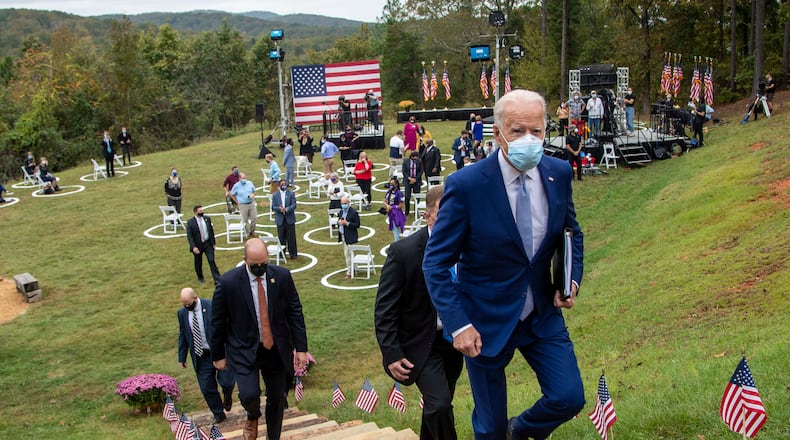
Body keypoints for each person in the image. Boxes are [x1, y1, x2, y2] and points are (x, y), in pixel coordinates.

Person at [423, 89, 585, 440]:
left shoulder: (558, 173)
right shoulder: (467, 185)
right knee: (490, 427)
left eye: (537, 131)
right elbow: (435, 263)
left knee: (569, 397)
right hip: (483, 322)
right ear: (497, 134)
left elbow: (572, 232)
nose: (529, 139)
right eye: (517, 131)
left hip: (541, 314)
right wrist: (459, 324)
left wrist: (571, 281)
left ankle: (520, 431)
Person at [375, 184, 464, 440]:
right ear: (427, 215)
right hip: (420, 343)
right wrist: (391, 353)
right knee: (440, 404)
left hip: (455, 341)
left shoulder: (466, 246)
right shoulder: (403, 253)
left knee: (440, 404)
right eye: (443, 212)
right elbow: (385, 309)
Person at [210, 238, 308, 440]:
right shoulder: (228, 283)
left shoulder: (281, 276)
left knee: (277, 397)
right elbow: (217, 322)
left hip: (275, 349)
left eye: (264, 264)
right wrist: (218, 355)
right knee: (249, 395)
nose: (260, 269)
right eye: (255, 266)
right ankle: (253, 415)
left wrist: (301, 348)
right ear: (244, 259)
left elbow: (295, 312)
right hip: (244, 349)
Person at [177, 288, 236, 424]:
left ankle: (227, 396)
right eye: (184, 304)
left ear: (195, 297)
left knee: (227, 381)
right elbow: (183, 335)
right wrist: (182, 357)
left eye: (188, 303)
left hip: (219, 352)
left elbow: (226, 326)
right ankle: (218, 413)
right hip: (201, 355)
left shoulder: (211, 306)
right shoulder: (182, 313)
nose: (187, 307)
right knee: (206, 387)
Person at [186, 205, 222, 284]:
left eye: (202, 211)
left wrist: (213, 243)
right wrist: (193, 247)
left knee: (211, 260)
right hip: (197, 245)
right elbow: (190, 236)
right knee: (198, 262)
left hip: (207, 243)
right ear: (195, 213)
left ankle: (217, 278)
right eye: (200, 211)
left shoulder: (207, 219)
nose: (202, 212)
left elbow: (211, 231)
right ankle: (200, 277)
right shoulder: (190, 222)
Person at [272, 178, 298, 259]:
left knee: (291, 237)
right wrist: (280, 209)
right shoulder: (275, 195)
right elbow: (273, 206)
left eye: (285, 184)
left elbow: (294, 205)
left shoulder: (291, 194)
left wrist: (286, 209)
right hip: (280, 219)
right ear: (279, 186)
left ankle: (293, 254)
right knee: (281, 237)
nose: (284, 186)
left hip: (289, 218)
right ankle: (281, 254)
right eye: (282, 184)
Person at [337, 195, 360, 279]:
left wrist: (347, 223)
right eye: (342, 203)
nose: (343, 205)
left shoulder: (353, 212)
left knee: (348, 254)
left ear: (349, 203)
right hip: (343, 235)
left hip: (350, 236)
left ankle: (349, 272)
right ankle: (354, 268)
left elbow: (357, 224)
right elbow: (339, 219)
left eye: (345, 203)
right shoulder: (341, 211)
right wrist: (339, 222)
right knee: (348, 254)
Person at [230, 173, 258, 238]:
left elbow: (254, 191)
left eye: (245, 178)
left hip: (251, 203)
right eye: (243, 178)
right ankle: (247, 233)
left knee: (254, 218)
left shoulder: (250, 183)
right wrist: (237, 202)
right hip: (243, 205)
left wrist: (252, 195)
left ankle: (252, 231)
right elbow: (231, 194)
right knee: (245, 220)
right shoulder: (236, 186)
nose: (244, 179)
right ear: (239, 179)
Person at [384, 177, 406, 242]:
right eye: (390, 183)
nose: (391, 185)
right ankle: (397, 242)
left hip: (396, 214)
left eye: (392, 184)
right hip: (390, 213)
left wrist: (392, 207)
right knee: (394, 229)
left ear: (396, 184)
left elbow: (401, 205)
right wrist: (387, 206)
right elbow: (384, 201)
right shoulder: (389, 192)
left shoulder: (399, 193)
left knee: (396, 229)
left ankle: (397, 243)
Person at [402, 150, 423, 217]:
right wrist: (409, 178)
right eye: (415, 157)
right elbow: (404, 171)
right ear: (412, 156)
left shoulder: (419, 162)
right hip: (408, 181)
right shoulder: (406, 161)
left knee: (417, 196)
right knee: (407, 196)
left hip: (416, 181)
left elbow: (421, 171)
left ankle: (416, 210)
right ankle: (407, 211)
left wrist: (415, 179)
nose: (417, 158)